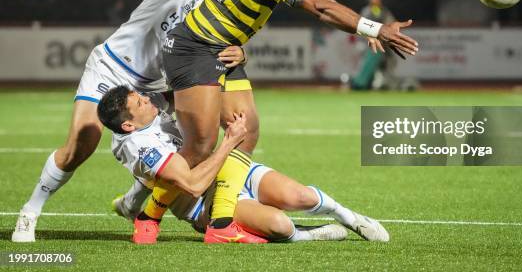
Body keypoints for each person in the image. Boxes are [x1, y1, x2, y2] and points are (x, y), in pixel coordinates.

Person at [157, 0, 418, 244]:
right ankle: (146, 212)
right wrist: (373, 27)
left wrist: (360, 25)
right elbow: (319, 7)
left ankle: (220, 225)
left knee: (245, 131)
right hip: (195, 47)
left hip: (223, 48)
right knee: (200, 145)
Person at [11, 0, 243, 243]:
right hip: (115, 66)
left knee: (194, 141)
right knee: (84, 140)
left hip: (158, 85)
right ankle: (30, 211)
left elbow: (221, 47)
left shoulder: (224, 6)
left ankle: (134, 201)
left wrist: (241, 50)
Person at [97, 86, 390, 244]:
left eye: (142, 96)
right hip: (202, 203)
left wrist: (238, 57)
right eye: (140, 102)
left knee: (301, 197)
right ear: (128, 125)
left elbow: (195, 86)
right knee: (280, 225)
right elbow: (193, 184)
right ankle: (306, 235)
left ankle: (349, 217)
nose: (148, 100)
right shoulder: (142, 149)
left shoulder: (144, 114)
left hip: (228, 171)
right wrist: (229, 141)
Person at [350, 0, 397, 90]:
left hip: (379, 42)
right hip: (367, 42)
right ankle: (360, 83)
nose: (376, 2)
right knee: (368, 63)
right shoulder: (369, 10)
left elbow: (391, 22)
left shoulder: (382, 10)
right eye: (374, 0)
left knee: (382, 63)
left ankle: (367, 83)